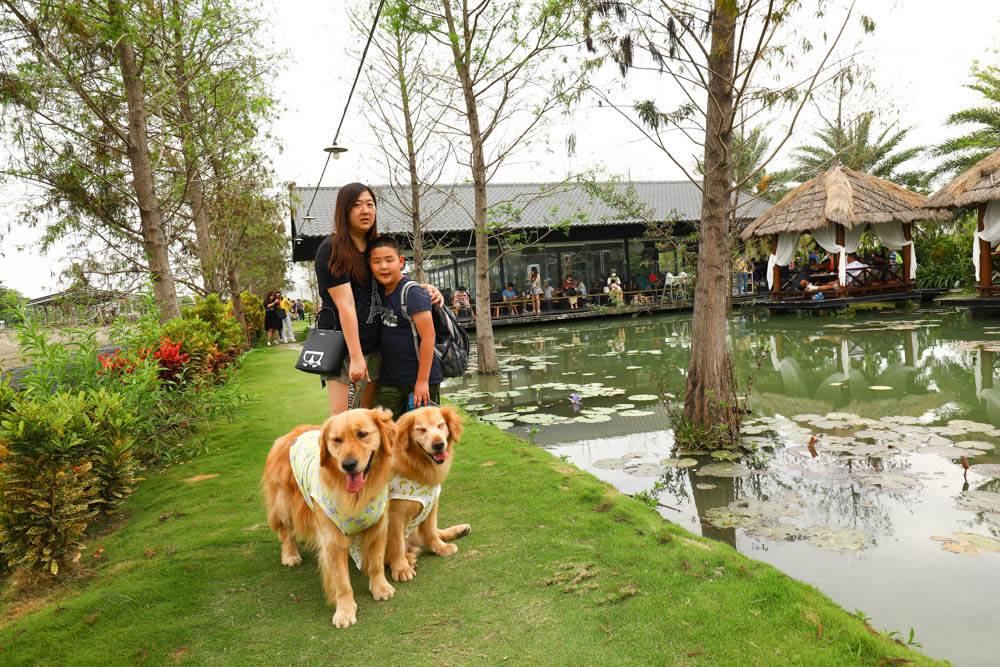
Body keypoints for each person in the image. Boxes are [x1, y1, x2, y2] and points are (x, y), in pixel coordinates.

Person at [314, 182, 443, 416]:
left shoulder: (375, 245)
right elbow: (345, 304)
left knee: (368, 418)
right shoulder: (332, 248)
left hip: (375, 346)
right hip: (343, 348)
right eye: (357, 205)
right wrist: (355, 357)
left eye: (370, 204)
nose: (365, 211)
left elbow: (391, 277)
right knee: (343, 420)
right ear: (344, 211)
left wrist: (423, 288)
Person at [368, 236, 443, 415]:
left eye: (389, 260)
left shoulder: (413, 293)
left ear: (401, 261)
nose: (384, 267)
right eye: (376, 262)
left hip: (419, 379)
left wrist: (422, 382)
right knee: (388, 434)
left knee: (422, 437)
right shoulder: (379, 291)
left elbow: (428, 337)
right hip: (390, 380)